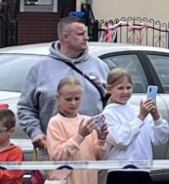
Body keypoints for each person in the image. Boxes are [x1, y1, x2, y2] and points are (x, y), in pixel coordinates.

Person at [17, 17, 109, 154]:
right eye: (80, 34)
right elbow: (25, 107)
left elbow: (111, 104)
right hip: (53, 150)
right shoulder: (40, 69)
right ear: (65, 37)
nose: (86, 37)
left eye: (86, 33)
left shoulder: (100, 67)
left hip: (91, 151)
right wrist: (35, 132)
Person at [103, 68, 169, 184]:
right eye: (120, 88)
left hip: (142, 173)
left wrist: (156, 117)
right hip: (120, 175)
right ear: (109, 89)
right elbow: (121, 140)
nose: (125, 92)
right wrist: (140, 117)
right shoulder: (108, 113)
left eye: (128, 87)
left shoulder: (136, 109)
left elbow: (160, 138)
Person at [46, 76, 107, 184]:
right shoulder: (55, 123)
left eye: (77, 98)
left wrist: (101, 140)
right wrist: (79, 136)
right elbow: (58, 156)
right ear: (58, 98)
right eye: (68, 99)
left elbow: (98, 156)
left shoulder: (87, 120)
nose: (73, 103)